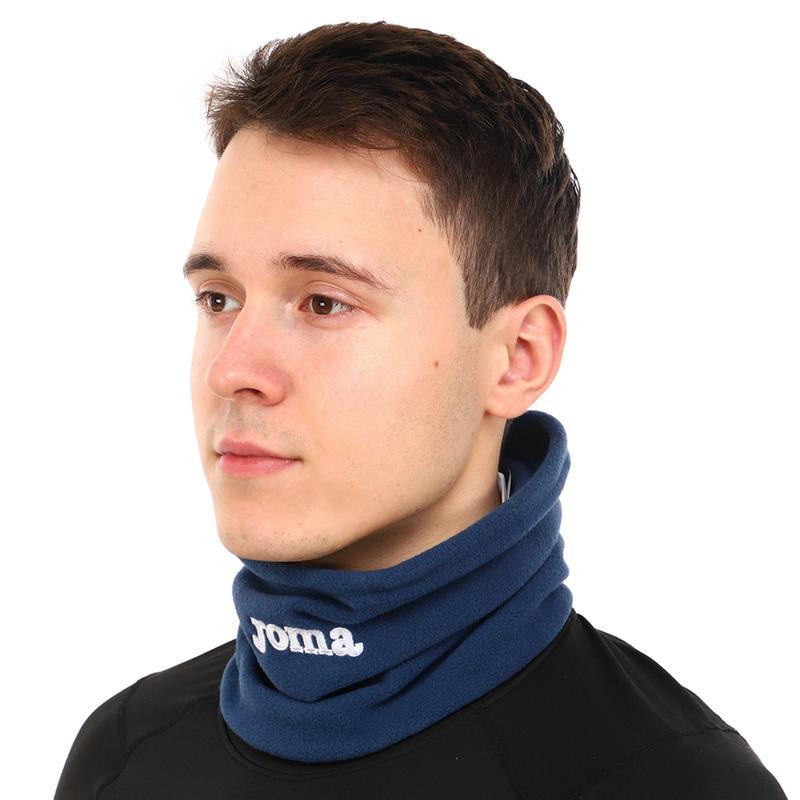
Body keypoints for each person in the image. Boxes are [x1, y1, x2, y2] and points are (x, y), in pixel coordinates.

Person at [54, 20, 787, 799]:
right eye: (218, 299)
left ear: (518, 357)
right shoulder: (123, 755)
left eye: (324, 302)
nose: (231, 370)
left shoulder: (676, 783)